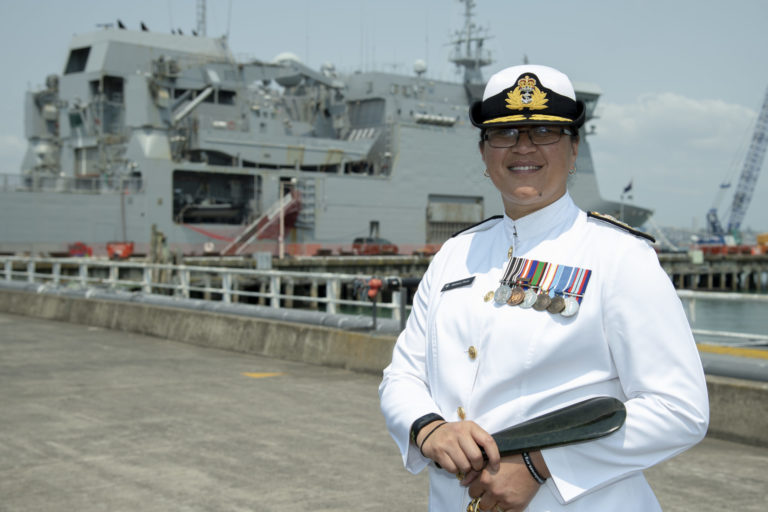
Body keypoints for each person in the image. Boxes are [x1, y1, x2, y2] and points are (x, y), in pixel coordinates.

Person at [378, 64, 709, 512]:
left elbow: (679, 409)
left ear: (573, 150)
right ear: (484, 153)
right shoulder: (454, 255)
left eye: (544, 132)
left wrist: (541, 463)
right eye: (506, 133)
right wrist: (429, 428)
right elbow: (403, 375)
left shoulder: (620, 257)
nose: (523, 147)